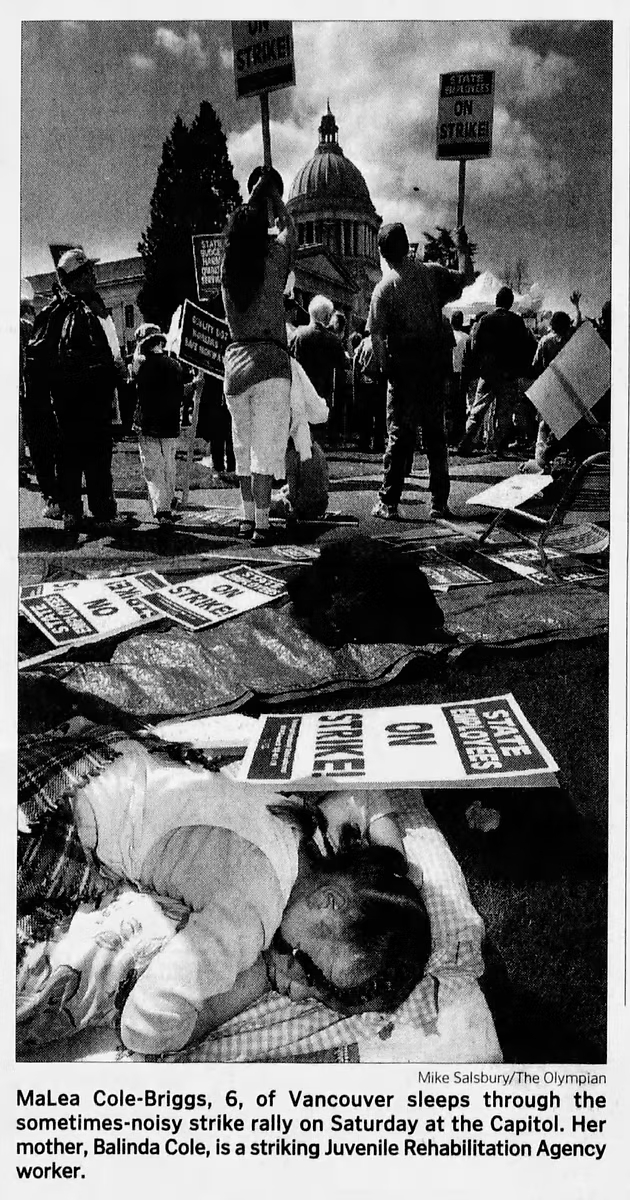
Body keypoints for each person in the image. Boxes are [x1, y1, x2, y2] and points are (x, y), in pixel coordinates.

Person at [18, 735, 430, 1055]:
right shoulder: (256, 905)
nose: (302, 993)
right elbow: (145, 1023)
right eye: (314, 974)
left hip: (99, 760)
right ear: (329, 901)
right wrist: (245, 989)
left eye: (320, 998)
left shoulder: (314, 832)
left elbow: (365, 796)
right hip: (61, 824)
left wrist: (396, 858)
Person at [367, 222, 475, 520]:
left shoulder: (383, 289)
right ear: (407, 246)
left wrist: (387, 368)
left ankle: (389, 501)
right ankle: (439, 502)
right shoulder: (433, 274)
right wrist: (462, 247)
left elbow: (376, 336)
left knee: (399, 436)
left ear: (383, 254)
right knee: (435, 436)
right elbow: (466, 277)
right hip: (434, 364)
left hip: (404, 368)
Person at [221, 166, 297, 546]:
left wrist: (252, 200)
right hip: (270, 362)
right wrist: (273, 198)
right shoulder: (276, 260)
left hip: (235, 366)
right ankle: (263, 525)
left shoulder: (228, 267)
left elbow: (238, 233)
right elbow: (291, 231)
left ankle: (245, 518)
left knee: (242, 446)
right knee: (265, 451)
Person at [27, 248, 123, 533]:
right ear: (78, 277)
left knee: (68, 455)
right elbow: (104, 359)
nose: (94, 276)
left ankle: (72, 512)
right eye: (89, 272)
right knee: (96, 454)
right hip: (89, 398)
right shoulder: (87, 309)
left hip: (64, 402)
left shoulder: (54, 311)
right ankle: (102, 511)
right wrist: (113, 374)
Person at [456, 286, 536, 458]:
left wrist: (480, 366)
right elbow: (525, 348)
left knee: (477, 409)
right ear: (511, 303)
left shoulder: (485, 320)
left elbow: (475, 345)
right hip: (508, 374)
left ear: (496, 301)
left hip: (488, 373)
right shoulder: (517, 322)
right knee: (504, 414)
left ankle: (466, 442)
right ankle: (497, 447)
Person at [132, 323, 185, 523]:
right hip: (170, 422)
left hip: (147, 422)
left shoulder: (141, 366)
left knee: (153, 467)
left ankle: (162, 508)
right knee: (169, 465)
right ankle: (168, 501)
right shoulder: (174, 365)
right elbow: (180, 393)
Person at [291, 295, 348, 404]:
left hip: (300, 395)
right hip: (323, 398)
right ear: (327, 316)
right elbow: (343, 371)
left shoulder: (297, 335)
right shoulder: (334, 341)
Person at [353, 333, 387, 453]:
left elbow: (356, 360)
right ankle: (379, 443)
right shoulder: (383, 343)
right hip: (379, 381)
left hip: (365, 380)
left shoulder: (364, 342)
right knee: (380, 416)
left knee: (365, 416)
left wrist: (356, 377)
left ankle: (364, 442)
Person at [447, 310, 470, 447]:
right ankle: (459, 435)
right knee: (460, 406)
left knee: (449, 406)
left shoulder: (448, 337)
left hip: (450, 374)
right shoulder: (466, 338)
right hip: (462, 374)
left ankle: (449, 435)